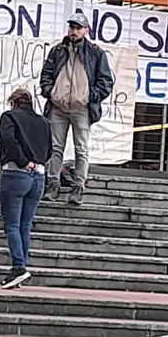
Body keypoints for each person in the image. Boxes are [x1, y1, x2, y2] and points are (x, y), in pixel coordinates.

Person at [39, 11, 113, 206]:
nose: (74, 31)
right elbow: (46, 74)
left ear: (86, 30)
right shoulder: (57, 50)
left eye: (78, 28)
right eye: (72, 27)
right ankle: (52, 184)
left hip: (82, 108)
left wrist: (89, 97)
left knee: (81, 149)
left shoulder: (96, 53)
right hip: (58, 106)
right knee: (55, 148)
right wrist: (50, 92)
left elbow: (106, 81)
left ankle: (78, 187)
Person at [0, 88, 52, 290]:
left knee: (11, 224)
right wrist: (35, 162)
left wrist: (22, 161)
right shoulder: (43, 122)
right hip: (39, 176)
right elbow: (51, 149)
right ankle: (21, 266)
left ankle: (18, 268)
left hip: (15, 173)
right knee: (25, 226)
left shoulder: (9, 117)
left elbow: (8, 140)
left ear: (13, 102)